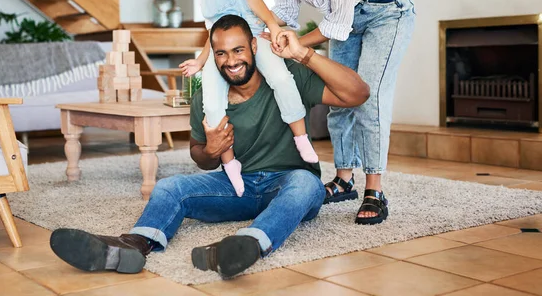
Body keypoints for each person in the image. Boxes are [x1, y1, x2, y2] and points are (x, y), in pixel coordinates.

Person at [49, 14, 369, 278]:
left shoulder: (289, 77)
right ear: (212, 55)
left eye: (238, 50)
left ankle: (247, 244)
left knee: (305, 184)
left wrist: (304, 53)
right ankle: (134, 245)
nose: (231, 61)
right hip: (238, 186)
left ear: (254, 47)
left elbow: (358, 95)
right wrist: (213, 150)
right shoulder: (207, 97)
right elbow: (199, 157)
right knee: (171, 186)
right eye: (221, 53)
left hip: (290, 183)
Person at [245, 0, 416, 225]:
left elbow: (336, 25)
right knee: (340, 99)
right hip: (346, 17)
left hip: (386, 9)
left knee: (368, 99)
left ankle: (375, 190)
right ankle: (344, 180)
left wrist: (295, 44)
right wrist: (264, 31)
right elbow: (286, 13)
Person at [155, 0, 320, 198]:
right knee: (212, 102)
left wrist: (272, 27)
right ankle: (230, 163)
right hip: (221, 51)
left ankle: (300, 138)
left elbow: (254, 0)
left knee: (280, 79)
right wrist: (200, 61)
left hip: (253, 36)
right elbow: (212, 34)